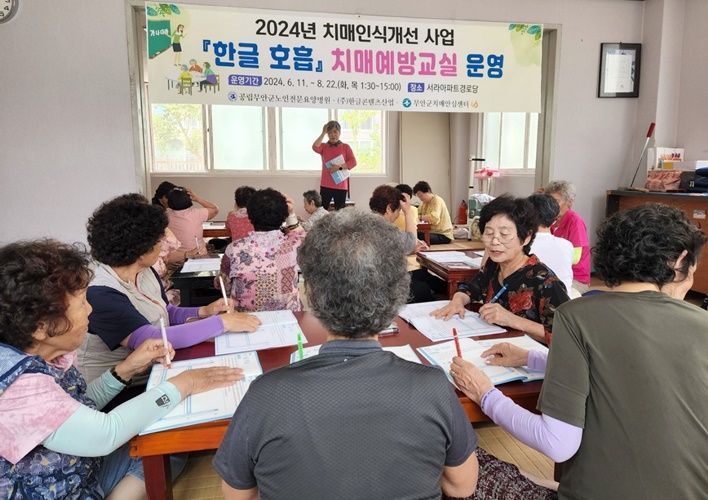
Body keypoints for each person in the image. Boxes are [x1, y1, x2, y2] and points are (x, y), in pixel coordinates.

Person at [214, 209, 479, 499]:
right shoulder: (434, 387)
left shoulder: (266, 395)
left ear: (311, 295)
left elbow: (239, 495)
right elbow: (462, 486)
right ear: (397, 294)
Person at [449, 203, 707, 499]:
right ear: (680, 262)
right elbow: (620, 373)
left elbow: (557, 443)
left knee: (464, 464)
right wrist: (531, 358)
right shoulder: (700, 325)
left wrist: (484, 393)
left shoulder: (578, 315)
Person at [0, 239, 243, 499]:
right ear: (41, 327)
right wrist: (186, 383)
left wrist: (125, 369)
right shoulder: (18, 389)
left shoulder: (38, 352)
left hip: (79, 466)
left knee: (167, 447)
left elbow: (77, 405)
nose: (90, 309)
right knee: (162, 446)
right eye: (82, 304)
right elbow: (105, 433)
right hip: (54, 488)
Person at [77, 195, 260, 384]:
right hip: (120, 389)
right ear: (141, 249)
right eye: (161, 239)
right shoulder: (100, 292)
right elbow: (149, 338)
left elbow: (165, 312)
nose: (166, 245)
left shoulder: (144, 271)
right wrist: (221, 323)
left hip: (154, 371)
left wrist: (204, 311)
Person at [432, 195, 569, 344]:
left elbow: (566, 336)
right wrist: (458, 301)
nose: (494, 241)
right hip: (491, 345)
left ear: (526, 238)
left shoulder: (545, 281)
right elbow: (471, 287)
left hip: (529, 359)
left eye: (504, 234)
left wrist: (511, 320)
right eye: (489, 233)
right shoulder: (495, 264)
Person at [219, 188, 305, 312]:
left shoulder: (234, 249)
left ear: (250, 216)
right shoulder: (293, 244)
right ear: (283, 216)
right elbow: (300, 232)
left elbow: (224, 284)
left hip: (246, 320)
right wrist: (291, 214)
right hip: (289, 316)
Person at [544, 180, 590, 292]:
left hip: (576, 279)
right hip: (554, 274)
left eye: (556, 201)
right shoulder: (551, 221)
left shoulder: (575, 221)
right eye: (549, 201)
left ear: (569, 202)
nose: (551, 205)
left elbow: (575, 257)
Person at [527, 193, 574, 296]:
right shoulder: (567, 245)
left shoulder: (522, 244)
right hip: (565, 302)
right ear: (554, 218)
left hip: (537, 306)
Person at [312, 120, 356, 210]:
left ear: (339, 133)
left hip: (341, 185)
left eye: (335, 132)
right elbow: (315, 147)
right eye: (330, 132)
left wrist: (339, 167)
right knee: (321, 211)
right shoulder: (323, 146)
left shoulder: (345, 147)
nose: (332, 134)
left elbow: (353, 162)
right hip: (326, 185)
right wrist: (323, 132)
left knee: (340, 213)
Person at [166, 186, 218, 254]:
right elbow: (215, 209)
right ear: (188, 198)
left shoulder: (165, 216)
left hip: (175, 258)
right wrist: (196, 198)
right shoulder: (197, 213)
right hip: (195, 256)